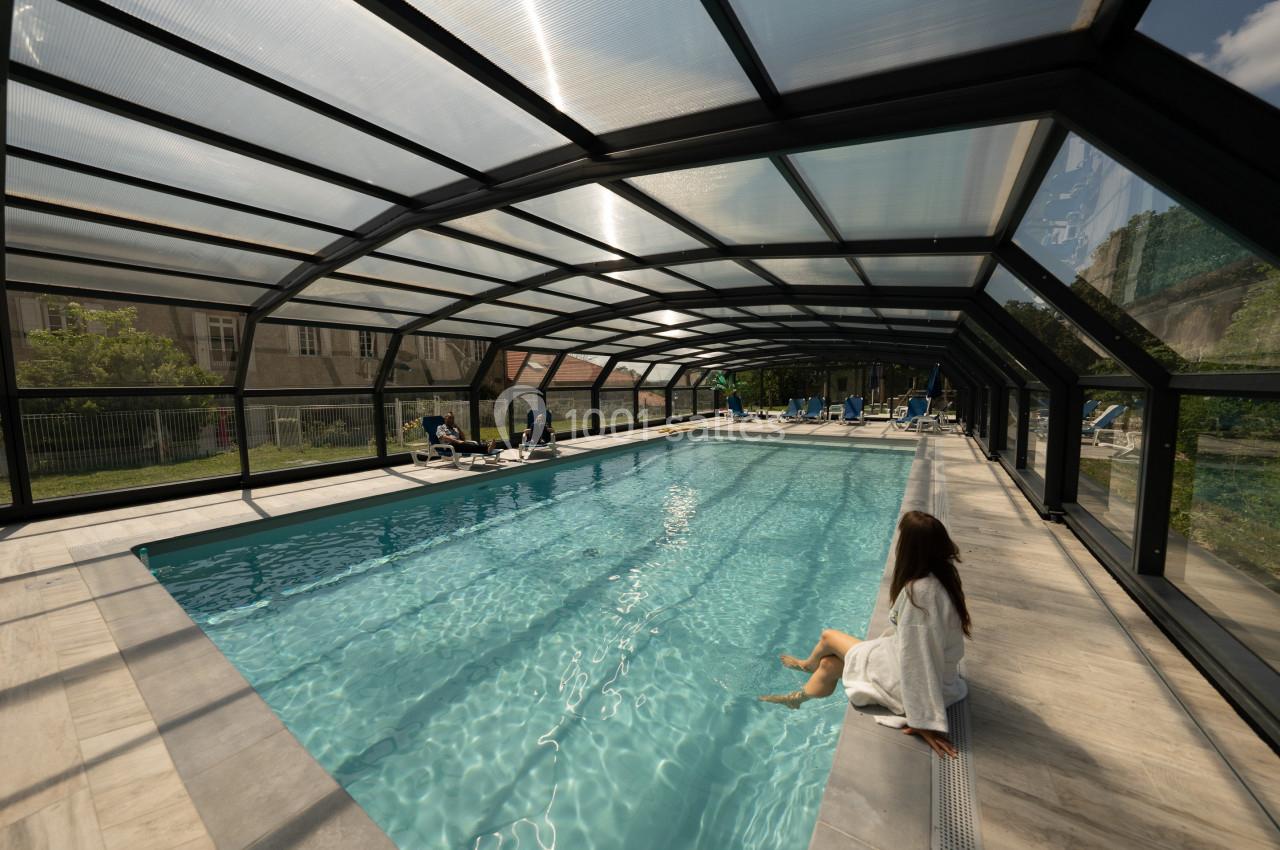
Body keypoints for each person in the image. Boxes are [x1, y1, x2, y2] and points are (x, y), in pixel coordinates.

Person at [759, 511, 971, 759]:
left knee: (828, 637)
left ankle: (806, 668)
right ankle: (797, 697)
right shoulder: (943, 575)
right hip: (912, 664)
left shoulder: (920, 595)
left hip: (910, 680)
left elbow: (918, 662)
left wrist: (924, 720)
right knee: (829, 665)